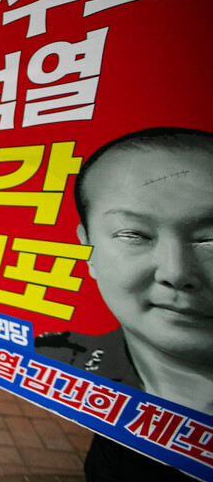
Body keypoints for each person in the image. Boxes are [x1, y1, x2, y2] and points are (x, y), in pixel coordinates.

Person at [34, 127, 213, 482]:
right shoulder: (55, 358)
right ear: (88, 248)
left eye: (210, 240)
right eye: (134, 235)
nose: (177, 273)